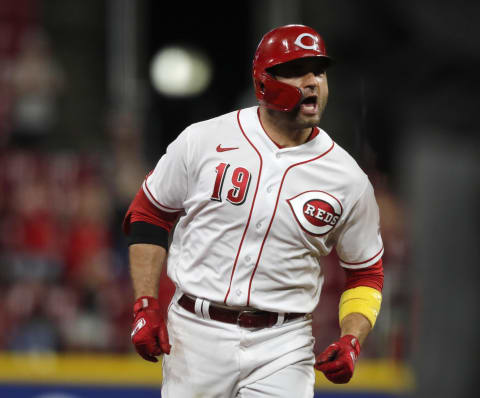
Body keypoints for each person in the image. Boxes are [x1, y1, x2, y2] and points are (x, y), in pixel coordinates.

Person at [123, 24, 384, 398]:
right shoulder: (205, 139)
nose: (313, 81)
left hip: (284, 342)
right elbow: (148, 214)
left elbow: (366, 273)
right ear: (264, 82)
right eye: (297, 69)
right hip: (195, 336)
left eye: (320, 71)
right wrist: (145, 304)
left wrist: (352, 339)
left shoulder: (348, 179)